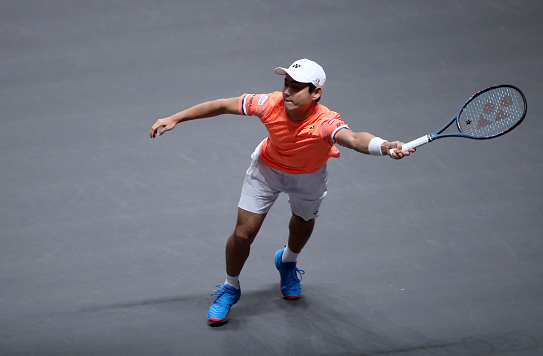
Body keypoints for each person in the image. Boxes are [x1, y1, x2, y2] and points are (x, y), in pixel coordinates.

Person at [150, 59, 414, 324]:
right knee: (243, 234)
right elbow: (221, 105)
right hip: (267, 171)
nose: (287, 91)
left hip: (308, 177)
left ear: (316, 92)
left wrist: (385, 146)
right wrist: (176, 118)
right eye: (286, 84)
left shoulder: (325, 122)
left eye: (296, 87)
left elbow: (355, 139)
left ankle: (287, 261)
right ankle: (230, 287)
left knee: (303, 222)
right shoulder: (268, 103)